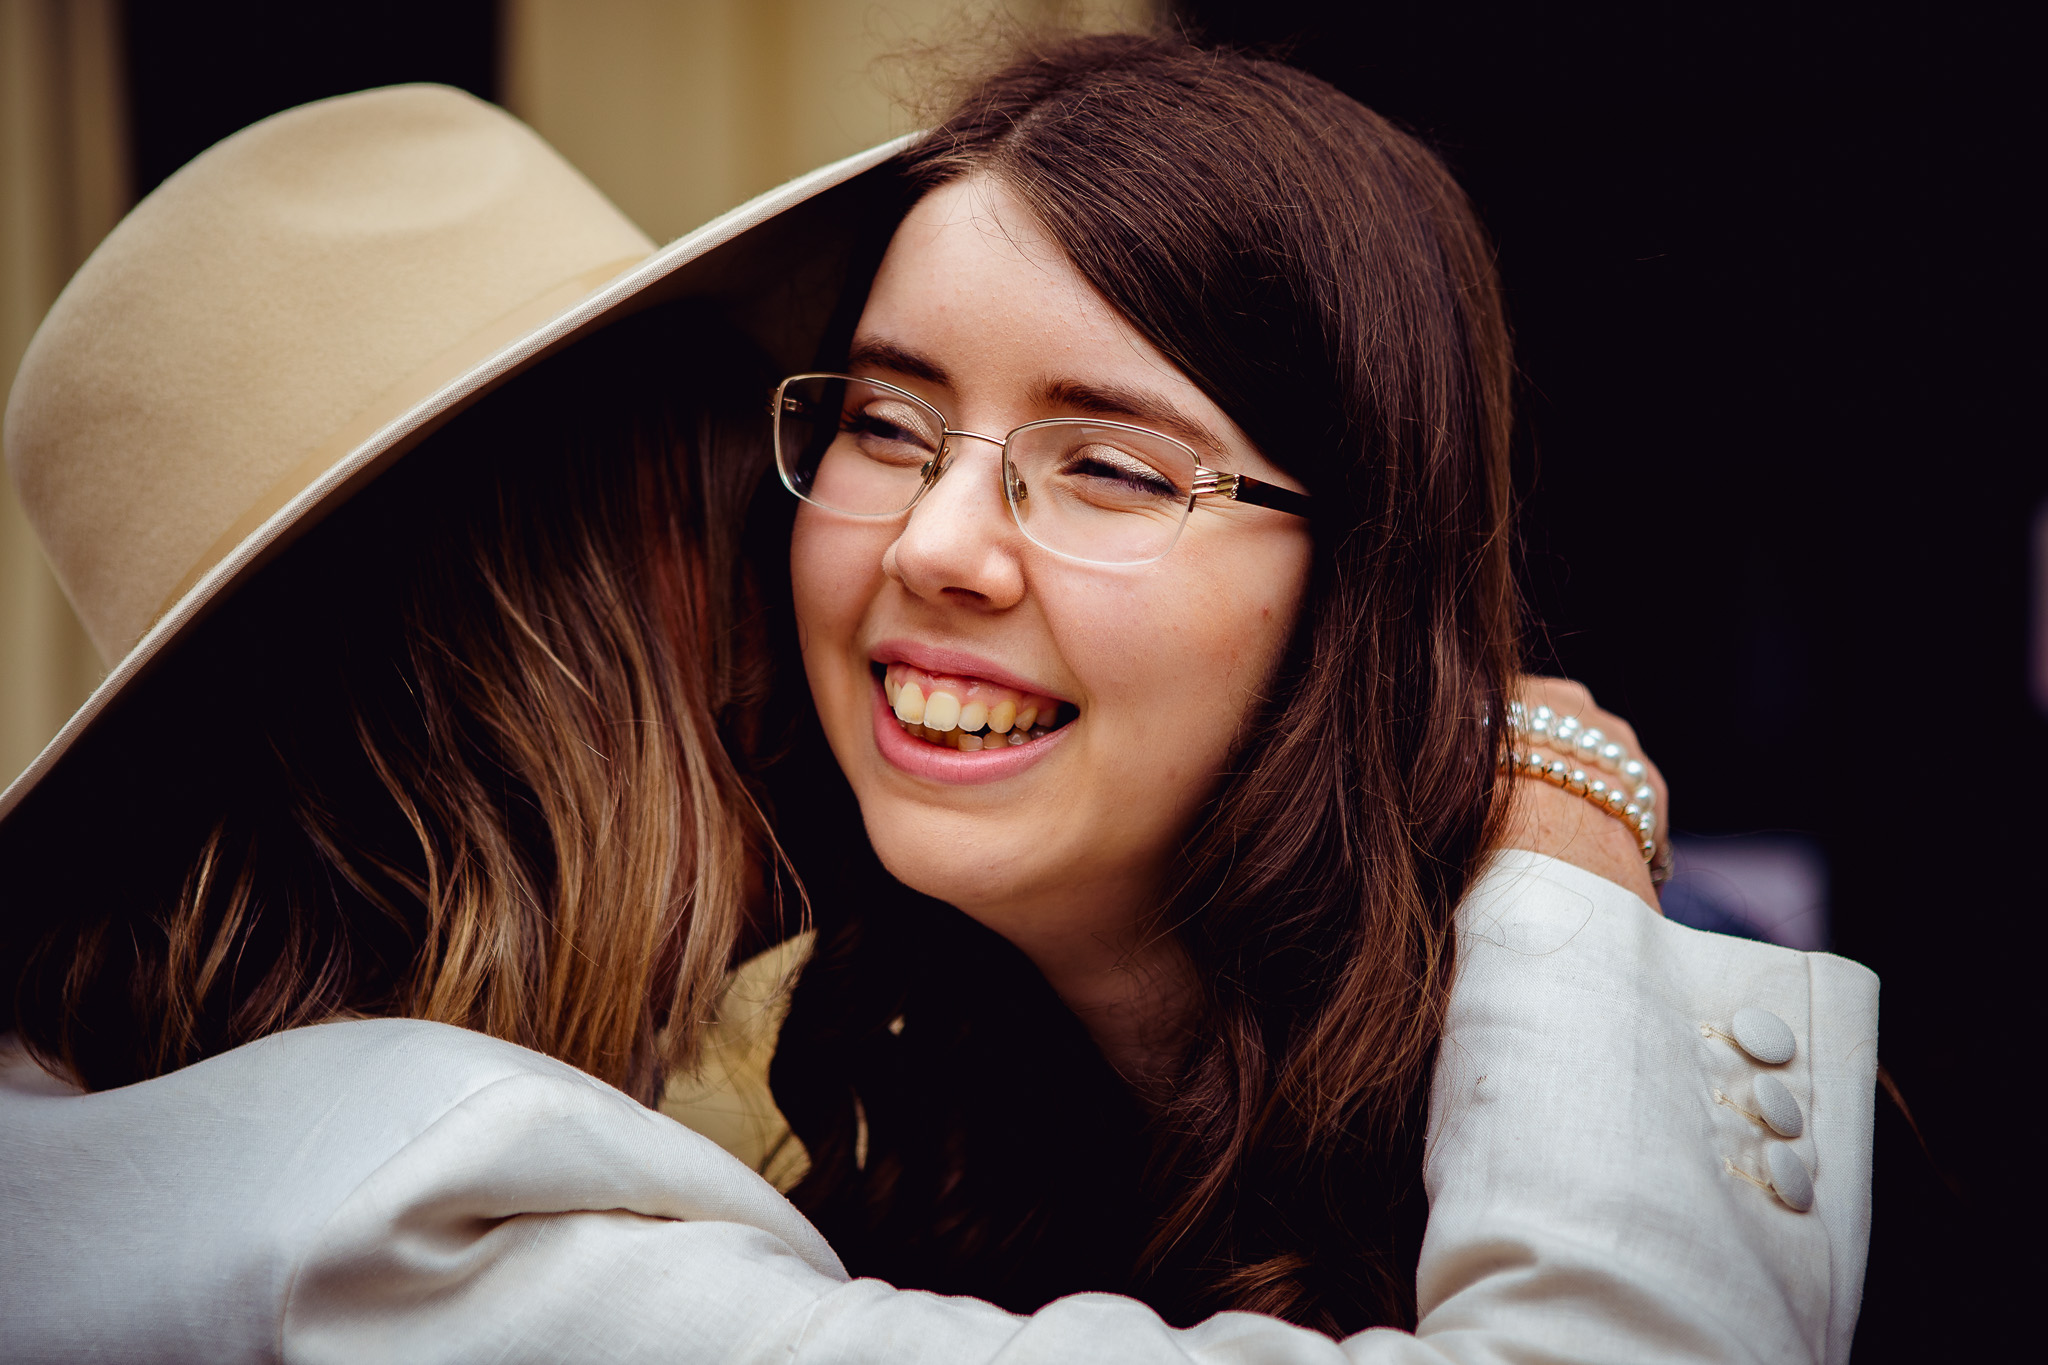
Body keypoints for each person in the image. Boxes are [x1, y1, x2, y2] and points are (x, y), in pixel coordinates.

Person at [0, 44, 1874, 1365]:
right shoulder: (448, 1215)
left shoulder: (871, 1090)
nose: (927, 545)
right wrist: (1560, 798)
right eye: (880, 429)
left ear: (1362, 572)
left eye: (1119, 467)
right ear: (510, 681)